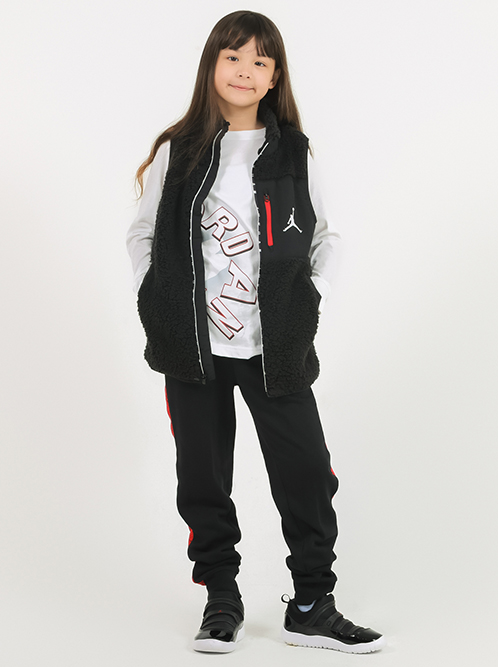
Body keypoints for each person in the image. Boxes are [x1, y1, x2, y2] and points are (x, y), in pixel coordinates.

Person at [126, 9, 385, 655]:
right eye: (233, 56)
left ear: (274, 78)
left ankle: (312, 604)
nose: (245, 70)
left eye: (260, 61)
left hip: (275, 347)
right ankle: (221, 597)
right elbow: (142, 234)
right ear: (212, 66)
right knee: (202, 476)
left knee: (307, 471)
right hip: (193, 347)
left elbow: (327, 236)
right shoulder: (177, 150)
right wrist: (154, 298)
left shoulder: (293, 152)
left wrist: (309, 300)